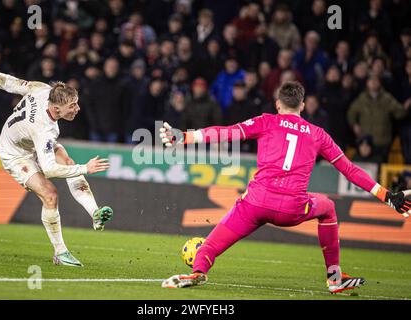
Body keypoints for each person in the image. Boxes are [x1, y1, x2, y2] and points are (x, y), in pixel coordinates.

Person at [159, 81, 411, 293]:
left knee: (210, 248)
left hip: (255, 204)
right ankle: (334, 277)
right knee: (328, 208)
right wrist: (387, 195)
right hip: (292, 208)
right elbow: (350, 170)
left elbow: (226, 133)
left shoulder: (266, 121)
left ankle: (198, 271)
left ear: (278, 104)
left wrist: (185, 137)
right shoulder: (318, 134)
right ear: (302, 106)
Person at [0, 59, 113, 267]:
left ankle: (95, 213)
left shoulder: (42, 89)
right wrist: (85, 168)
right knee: (50, 194)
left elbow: (6, 81)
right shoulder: (44, 130)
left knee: (67, 161)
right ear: (56, 109)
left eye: (76, 102)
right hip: (15, 154)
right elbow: (50, 170)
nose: (77, 109)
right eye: (72, 106)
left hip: (31, 144)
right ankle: (60, 253)